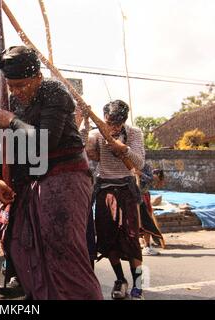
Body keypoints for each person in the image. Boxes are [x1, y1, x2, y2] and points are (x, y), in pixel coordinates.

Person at [0, 46, 103, 300]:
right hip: (32, 182)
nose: (16, 92)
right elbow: (9, 146)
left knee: (62, 248)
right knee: (21, 244)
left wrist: (12, 121)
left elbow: (46, 140)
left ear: (37, 78)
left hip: (65, 179)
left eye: (21, 85)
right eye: (12, 86)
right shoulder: (12, 103)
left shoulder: (55, 93)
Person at [86, 99, 146, 300]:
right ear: (104, 119)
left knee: (130, 237)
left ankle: (138, 284)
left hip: (126, 190)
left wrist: (123, 148)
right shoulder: (96, 134)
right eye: (110, 122)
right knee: (107, 237)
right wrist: (91, 138)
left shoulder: (135, 133)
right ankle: (120, 279)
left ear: (124, 121)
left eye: (117, 123)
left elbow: (139, 162)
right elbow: (88, 158)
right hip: (104, 189)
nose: (113, 127)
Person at [139, 165, 165, 255]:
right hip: (133, 198)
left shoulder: (145, 167)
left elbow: (150, 180)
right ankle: (142, 245)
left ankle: (146, 246)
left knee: (147, 222)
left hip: (143, 197)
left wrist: (140, 174)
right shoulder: (126, 165)